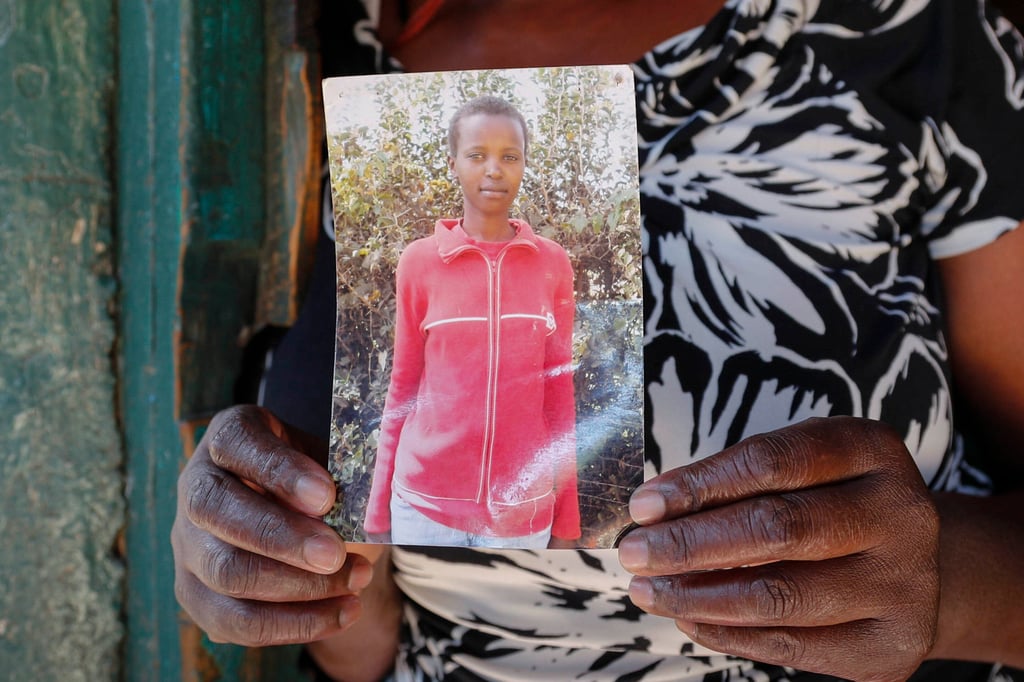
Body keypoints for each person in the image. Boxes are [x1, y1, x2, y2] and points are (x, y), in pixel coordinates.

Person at [170, 0, 1024, 680]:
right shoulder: (331, 56)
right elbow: (376, 641)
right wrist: (292, 574)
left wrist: (957, 586)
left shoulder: (901, 31)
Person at [360, 95, 579, 549]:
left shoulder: (553, 263)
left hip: (520, 519)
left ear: (523, 165)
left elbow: (559, 395)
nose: (494, 169)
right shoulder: (419, 262)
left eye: (509, 156)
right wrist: (378, 508)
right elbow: (402, 386)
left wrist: (568, 520)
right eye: (477, 155)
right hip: (425, 510)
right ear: (454, 163)